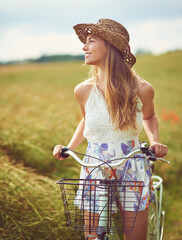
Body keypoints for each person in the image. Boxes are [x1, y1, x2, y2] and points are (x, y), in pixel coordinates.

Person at [53, 18, 168, 240]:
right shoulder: (82, 90)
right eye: (85, 42)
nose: (84, 47)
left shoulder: (141, 88)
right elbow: (86, 120)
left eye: (91, 41)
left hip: (132, 164)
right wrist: (69, 147)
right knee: (92, 237)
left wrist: (154, 141)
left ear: (110, 46)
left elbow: (150, 115)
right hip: (94, 165)